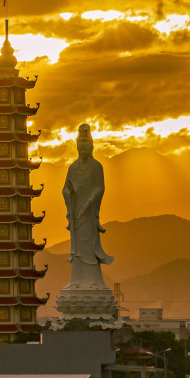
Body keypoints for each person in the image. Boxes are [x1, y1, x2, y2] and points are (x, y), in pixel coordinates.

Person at [62, 123, 113, 289]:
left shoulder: (97, 166)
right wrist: (70, 193)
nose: (83, 152)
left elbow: (100, 187)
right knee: (77, 249)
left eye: (86, 148)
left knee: (89, 245)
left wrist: (90, 202)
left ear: (91, 147)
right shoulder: (73, 168)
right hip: (76, 211)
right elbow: (65, 189)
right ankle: (75, 280)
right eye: (80, 149)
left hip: (89, 212)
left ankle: (93, 280)